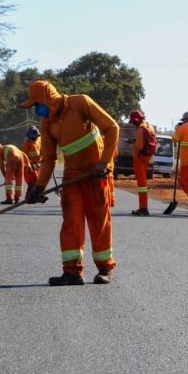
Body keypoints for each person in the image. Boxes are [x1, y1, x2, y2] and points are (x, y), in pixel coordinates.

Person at [21, 79, 119, 286]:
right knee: (71, 222)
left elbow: (112, 128)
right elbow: (48, 158)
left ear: (48, 98)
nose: (37, 110)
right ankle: (72, 272)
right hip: (72, 177)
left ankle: (105, 268)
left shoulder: (80, 102)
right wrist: (38, 187)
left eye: (37, 105)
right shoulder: (47, 122)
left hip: (96, 174)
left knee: (98, 221)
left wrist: (104, 163)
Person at [129, 109, 156, 216]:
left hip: (140, 157)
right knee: (143, 182)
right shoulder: (150, 126)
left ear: (136, 120)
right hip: (147, 157)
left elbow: (139, 146)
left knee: (141, 184)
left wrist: (133, 144)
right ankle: (143, 206)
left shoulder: (140, 129)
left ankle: (143, 208)